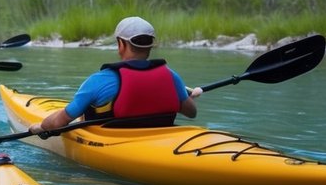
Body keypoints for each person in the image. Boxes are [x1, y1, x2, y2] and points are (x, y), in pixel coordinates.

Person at [28, 16, 202, 134]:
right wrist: (189, 97)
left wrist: (40, 127)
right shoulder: (171, 77)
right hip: (159, 140)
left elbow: (60, 121)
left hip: (114, 143)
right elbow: (191, 112)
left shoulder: (99, 81)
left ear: (120, 44)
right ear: (150, 45)